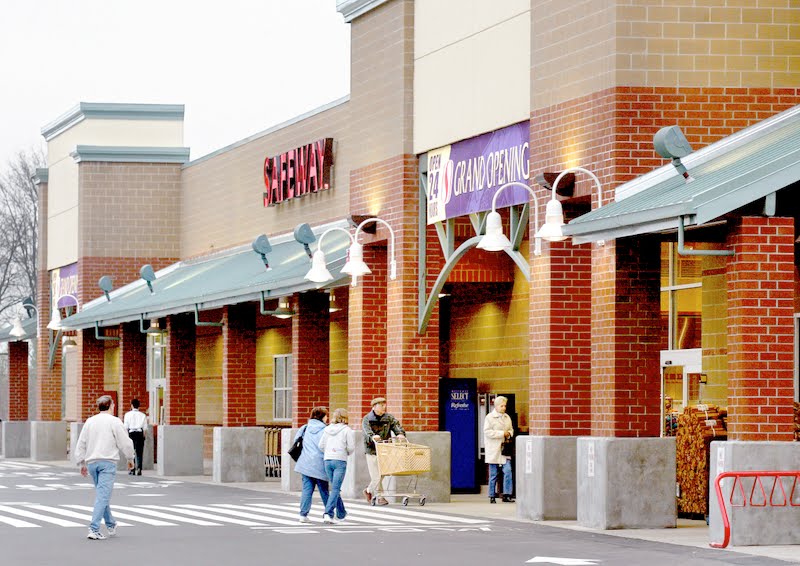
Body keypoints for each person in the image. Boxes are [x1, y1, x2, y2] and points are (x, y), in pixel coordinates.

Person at [73, 395, 135, 540]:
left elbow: (81, 442)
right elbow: (125, 443)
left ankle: (110, 523)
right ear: (111, 406)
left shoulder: (90, 421)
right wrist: (130, 458)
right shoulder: (115, 421)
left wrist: (81, 463)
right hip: (108, 462)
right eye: (113, 405)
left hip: (92, 463)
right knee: (103, 496)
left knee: (102, 495)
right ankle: (94, 528)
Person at [362, 397, 405, 505]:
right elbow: (367, 432)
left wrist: (400, 434)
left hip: (385, 449)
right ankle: (380, 497)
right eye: (381, 405)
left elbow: (396, 426)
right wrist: (373, 437)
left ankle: (368, 490)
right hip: (372, 450)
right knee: (376, 476)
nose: (384, 407)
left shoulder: (389, 418)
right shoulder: (367, 419)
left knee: (383, 473)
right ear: (374, 407)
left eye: (384, 404)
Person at [294, 406, 331, 523]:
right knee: (324, 490)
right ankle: (328, 514)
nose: (327, 418)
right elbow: (327, 446)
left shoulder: (304, 428)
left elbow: (296, 441)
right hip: (320, 464)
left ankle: (303, 515)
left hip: (305, 464)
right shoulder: (326, 430)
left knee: (307, 490)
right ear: (322, 417)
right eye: (326, 416)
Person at [319, 408, 355, 524]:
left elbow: (321, 445)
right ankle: (328, 513)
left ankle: (341, 513)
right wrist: (345, 452)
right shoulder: (347, 430)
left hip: (327, 460)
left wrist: (329, 451)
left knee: (334, 488)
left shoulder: (327, 429)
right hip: (340, 460)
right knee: (336, 488)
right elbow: (351, 447)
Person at [484, 395, 514, 503]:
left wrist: (509, 434)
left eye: (505, 406)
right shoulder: (489, 418)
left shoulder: (507, 417)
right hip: (494, 449)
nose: (504, 408)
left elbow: (511, 430)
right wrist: (502, 433)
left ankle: (507, 494)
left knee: (508, 471)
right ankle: (492, 495)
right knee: (493, 473)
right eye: (502, 406)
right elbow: (487, 432)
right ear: (496, 406)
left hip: (504, 449)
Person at [123, 398, 147, 475]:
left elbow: (125, 427)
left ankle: (131, 469)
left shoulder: (127, 415)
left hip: (131, 433)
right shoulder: (143, 415)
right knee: (139, 452)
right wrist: (144, 437)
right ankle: (139, 468)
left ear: (132, 405)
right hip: (140, 433)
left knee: (130, 453)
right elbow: (145, 428)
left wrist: (126, 437)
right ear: (139, 406)